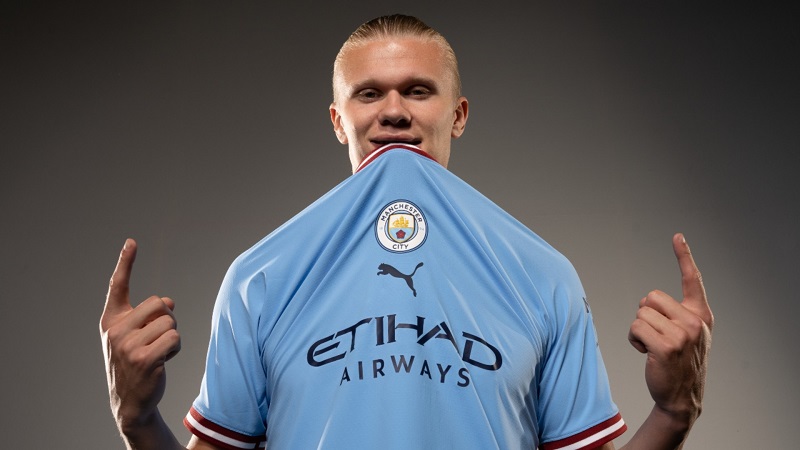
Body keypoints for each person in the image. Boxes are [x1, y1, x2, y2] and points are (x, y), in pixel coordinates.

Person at [100, 14, 713, 450]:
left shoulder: (542, 275)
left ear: (458, 114)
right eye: (369, 94)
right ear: (339, 121)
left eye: (418, 91)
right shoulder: (260, 277)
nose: (394, 111)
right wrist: (137, 419)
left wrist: (673, 412)